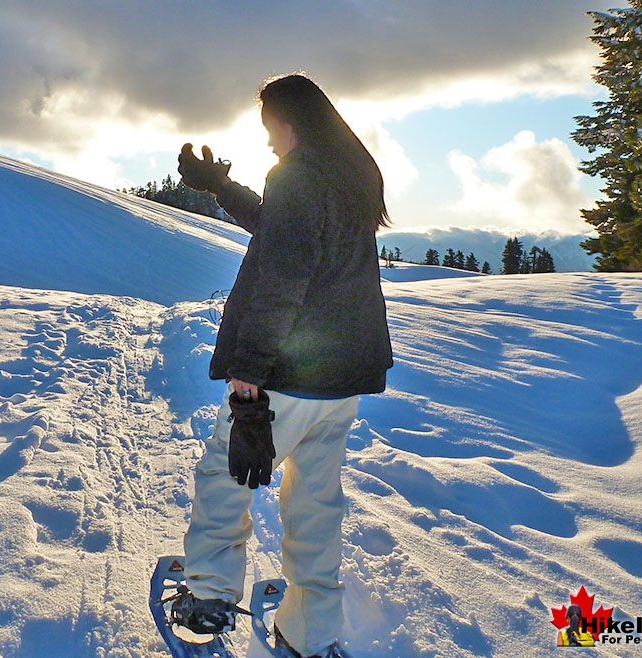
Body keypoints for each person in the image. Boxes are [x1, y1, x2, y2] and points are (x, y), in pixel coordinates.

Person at [170, 73, 394, 658]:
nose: (268, 140)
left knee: (226, 474)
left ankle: (211, 597)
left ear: (290, 119)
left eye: (270, 126)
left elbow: (284, 275)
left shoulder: (297, 176)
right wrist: (222, 188)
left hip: (286, 375)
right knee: (316, 500)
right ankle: (311, 630)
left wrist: (249, 376)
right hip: (342, 379)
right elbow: (282, 231)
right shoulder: (352, 176)